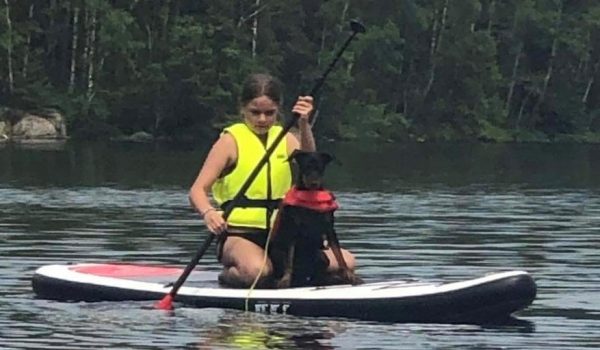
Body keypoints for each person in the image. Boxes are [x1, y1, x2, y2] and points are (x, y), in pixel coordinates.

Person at [189, 73, 356, 288]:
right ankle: (229, 276)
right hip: (241, 235)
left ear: (278, 110)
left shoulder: (286, 137)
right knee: (257, 272)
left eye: (269, 113)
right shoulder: (229, 141)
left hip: (282, 237)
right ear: (243, 109)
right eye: (255, 112)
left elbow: (310, 158)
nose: (262, 119)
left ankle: (295, 276)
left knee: (348, 262)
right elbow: (197, 191)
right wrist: (209, 213)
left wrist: (304, 123)